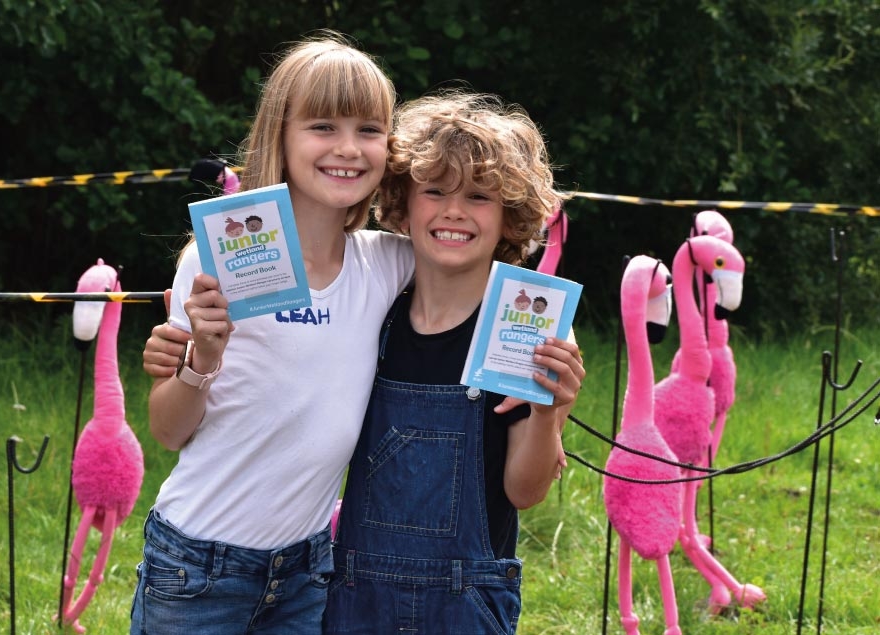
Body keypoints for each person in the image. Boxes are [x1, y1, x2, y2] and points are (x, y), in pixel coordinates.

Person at [129, 32, 415, 635]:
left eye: (369, 129)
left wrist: (542, 351)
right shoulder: (213, 262)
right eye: (322, 126)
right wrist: (200, 357)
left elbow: (475, 270)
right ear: (279, 136)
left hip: (309, 568)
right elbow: (167, 429)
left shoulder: (389, 263)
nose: (348, 148)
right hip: (197, 568)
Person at [322, 91, 585, 634]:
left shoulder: (523, 322)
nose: (454, 211)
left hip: (466, 606)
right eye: (434, 191)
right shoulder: (375, 309)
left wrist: (545, 412)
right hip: (353, 596)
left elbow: (524, 492)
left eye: (480, 197)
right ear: (401, 200)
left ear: (512, 213)